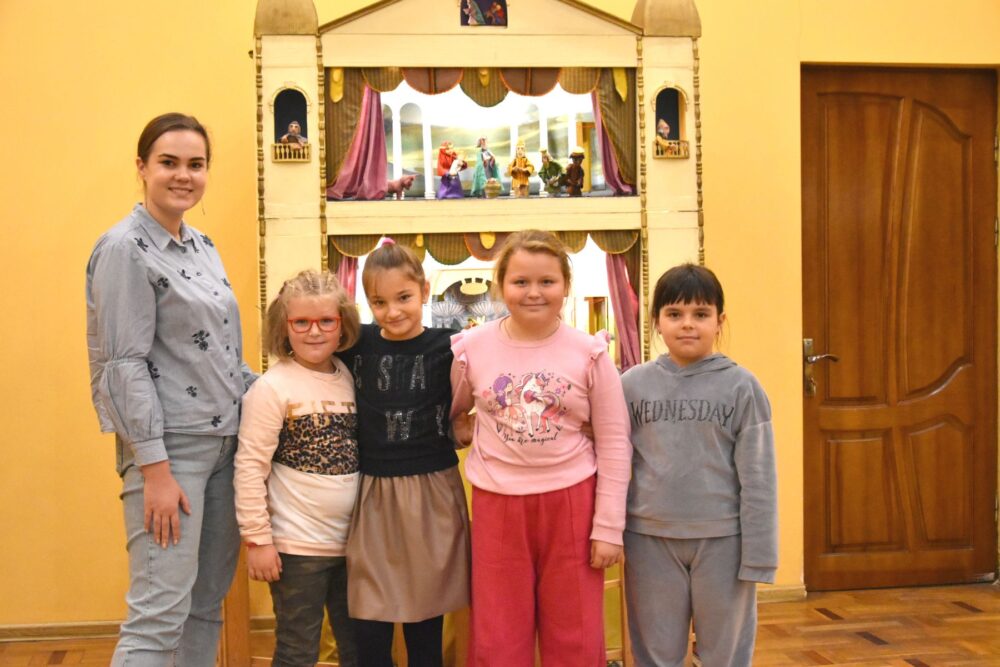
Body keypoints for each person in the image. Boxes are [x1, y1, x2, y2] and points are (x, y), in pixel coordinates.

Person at [86, 112, 257, 666]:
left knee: (204, 607)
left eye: (196, 164)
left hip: (226, 448)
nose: (184, 175)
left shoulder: (202, 244)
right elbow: (122, 365)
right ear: (142, 167)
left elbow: (221, 354)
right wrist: (155, 471)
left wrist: (287, 391)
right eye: (169, 162)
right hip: (171, 455)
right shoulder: (123, 249)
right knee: (157, 618)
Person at [450, 230, 632, 666]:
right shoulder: (470, 350)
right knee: (497, 635)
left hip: (572, 504)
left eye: (547, 281)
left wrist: (608, 527)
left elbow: (614, 443)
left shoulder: (589, 353)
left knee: (575, 633)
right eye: (521, 281)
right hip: (496, 505)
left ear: (565, 285)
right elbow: (450, 415)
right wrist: (464, 431)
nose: (534, 292)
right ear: (501, 285)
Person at [621, 264, 777, 667]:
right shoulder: (631, 385)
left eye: (700, 314)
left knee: (724, 653)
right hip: (649, 539)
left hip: (724, 541)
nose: (687, 324)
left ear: (719, 321)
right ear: (656, 322)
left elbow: (759, 477)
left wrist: (760, 554)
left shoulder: (742, 387)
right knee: (656, 652)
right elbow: (616, 463)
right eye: (675, 314)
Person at [338, 241, 471, 667]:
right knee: (369, 619)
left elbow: (491, 390)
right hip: (372, 492)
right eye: (379, 302)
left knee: (425, 621)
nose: (392, 312)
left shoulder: (452, 346)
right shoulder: (356, 343)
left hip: (432, 494)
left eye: (403, 298)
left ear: (425, 291)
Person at [235, 270, 362, 667]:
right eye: (301, 322)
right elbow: (250, 467)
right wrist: (257, 540)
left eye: (326, 321)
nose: (314, 332)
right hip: (296, 549)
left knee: (359, 648)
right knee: (297, 650)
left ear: (342, 324)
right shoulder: (272, 388)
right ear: (284, 326)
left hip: (356, 545)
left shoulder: (351, 378)